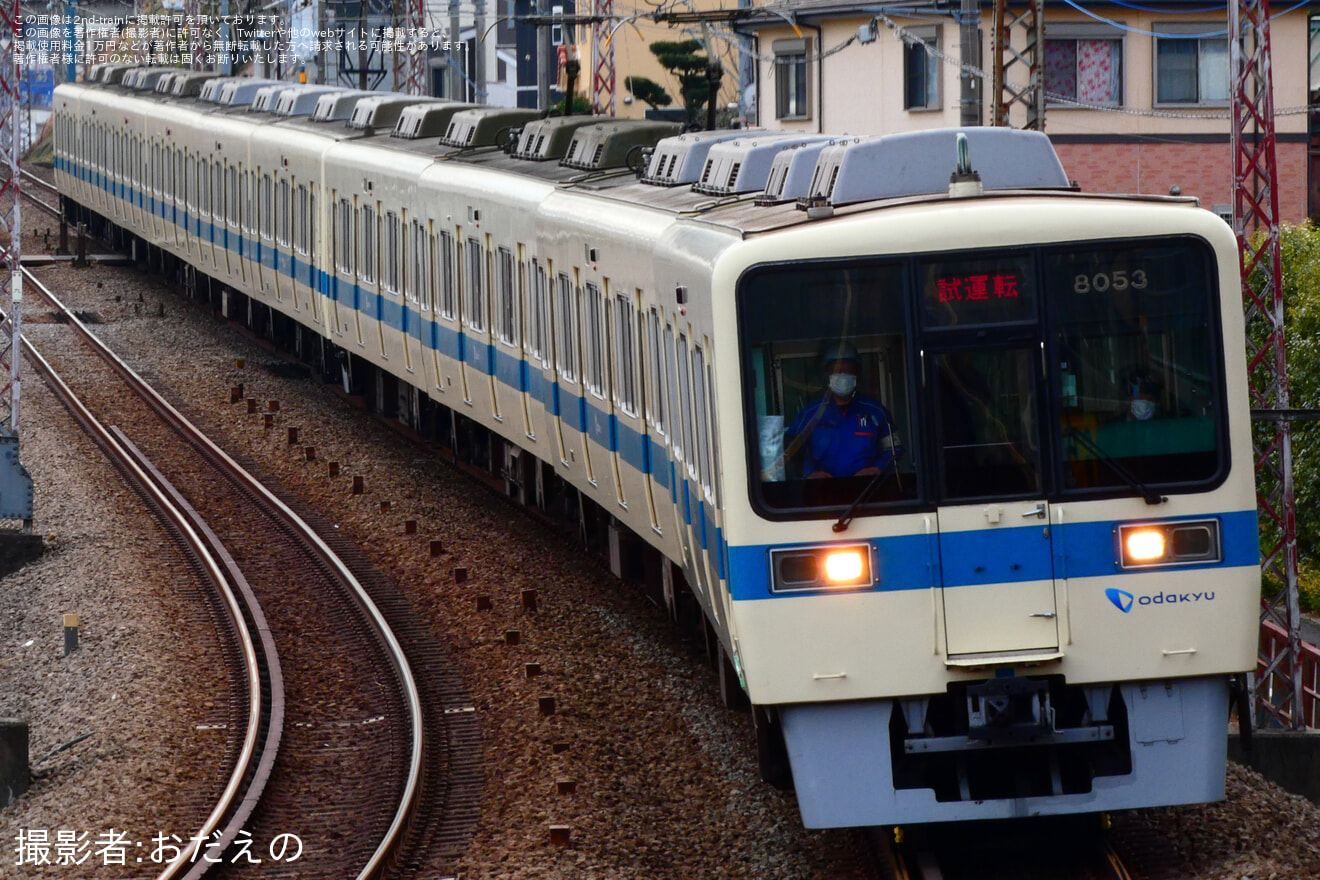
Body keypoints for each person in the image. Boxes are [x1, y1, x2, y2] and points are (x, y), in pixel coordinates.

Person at [786, 343, 903, 479]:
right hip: (821, 493)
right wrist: (810, 473)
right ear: (827, 375)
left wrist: (877, 468)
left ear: (856, 373)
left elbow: (895, 449)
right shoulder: (809, 414)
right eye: (837, 370)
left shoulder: (876, 412)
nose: (842, 375)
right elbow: (792, 452)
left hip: (868, 491)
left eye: (848, 370)